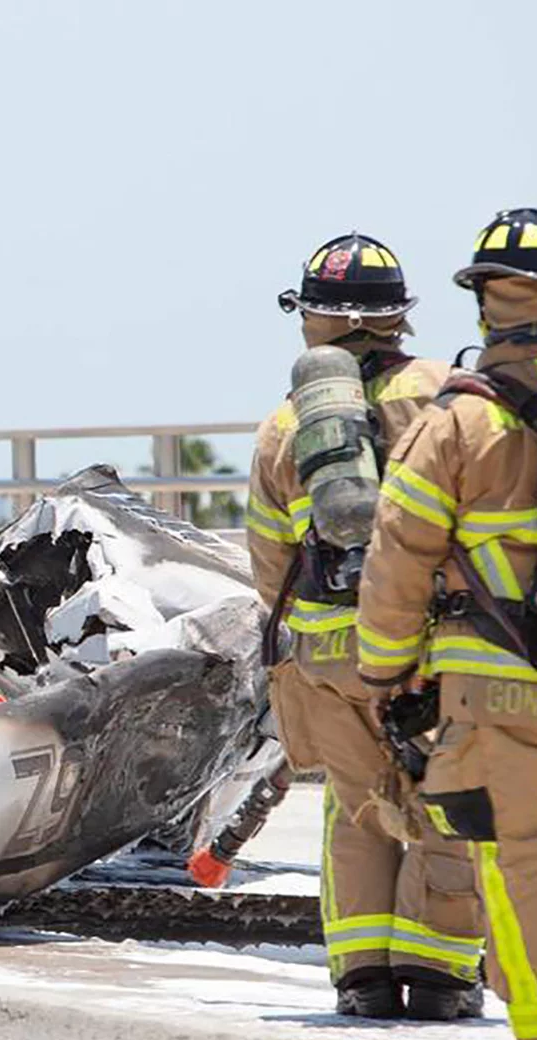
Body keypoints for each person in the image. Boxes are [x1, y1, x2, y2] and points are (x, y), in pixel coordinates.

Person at [249, 233, 484, 1019]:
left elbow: (268, 567)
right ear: (401, 317)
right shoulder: (448, 395)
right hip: (428, 646)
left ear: (310, 318)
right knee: (445, 802)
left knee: (357, 810)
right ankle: (442, 979)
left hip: (326, 660)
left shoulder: (286, 427)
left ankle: (364, 980)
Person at [358, 208, 537, 1040]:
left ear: (482, 306)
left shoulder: (459, 421)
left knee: (517, 875)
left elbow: (398, 558)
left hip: (498, 700)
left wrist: (386, 677)